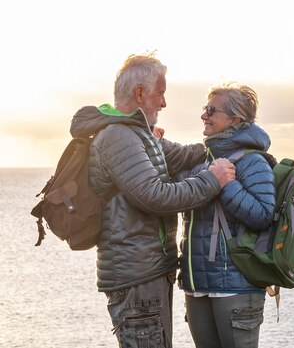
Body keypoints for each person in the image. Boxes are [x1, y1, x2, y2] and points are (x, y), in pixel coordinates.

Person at [69, 54, 237, 348]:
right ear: (140, 93)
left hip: (148, 273)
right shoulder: (118, 136)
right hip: (136, 278)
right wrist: (214, 179)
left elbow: (183, 155)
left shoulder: (138, 134)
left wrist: (237, 141)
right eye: (160, 93)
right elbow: (155, 196)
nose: (163, 103)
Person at [176, 83, 276, 348]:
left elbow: (263, 214)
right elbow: (177, 192)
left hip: (237, 287)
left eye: (211, 110)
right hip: (198, 285)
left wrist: (227, 184)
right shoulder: (202, 159)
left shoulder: (253, 161)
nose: (204, 116)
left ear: (235, 119)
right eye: (204, 109)